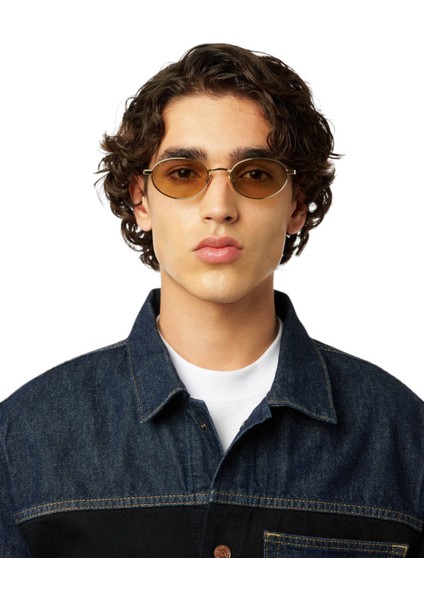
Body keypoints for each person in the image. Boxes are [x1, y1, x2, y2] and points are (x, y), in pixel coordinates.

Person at [1, 43, 423, 558]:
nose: (219, 207)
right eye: (183, 174)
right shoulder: (24, 435)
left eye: (256, 174)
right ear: (140, 199)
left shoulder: (402, 434)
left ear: (297, 203)